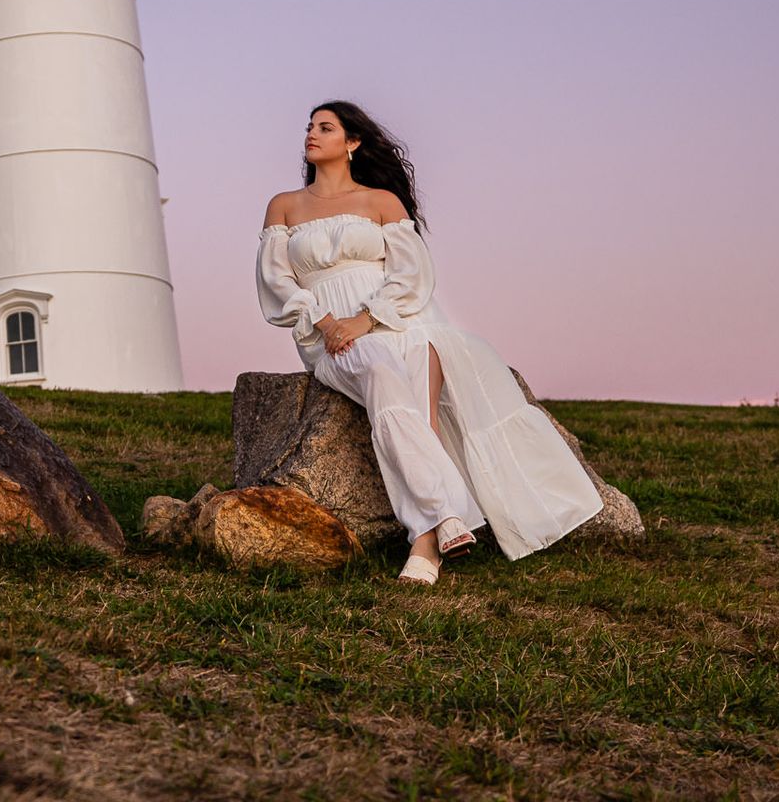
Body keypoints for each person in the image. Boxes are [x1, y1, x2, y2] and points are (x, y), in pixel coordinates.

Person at [256, 101, 602, 584]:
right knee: (379, 368)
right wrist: (329, 320)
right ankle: (444, 515)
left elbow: (412, 274)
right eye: (310, 127)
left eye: (325, 127)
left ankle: (426, 543)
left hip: (399, 319)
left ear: (352, 142)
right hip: (326, 333)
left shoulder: (382, 201)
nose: (311, 134)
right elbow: (276, 281)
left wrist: (368, 317)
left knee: (414, 383)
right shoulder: (285, 205)